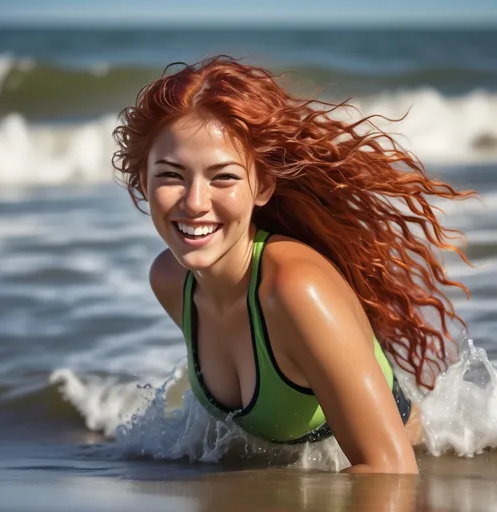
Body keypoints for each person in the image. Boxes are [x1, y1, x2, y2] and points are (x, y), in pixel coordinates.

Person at [112, 56, 473, 474]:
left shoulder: (296, 289)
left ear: (262, 185)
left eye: (223, 177)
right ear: (143, 180)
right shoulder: (170, 280)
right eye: (171, 175)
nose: (194, 202)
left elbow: (390, 471)